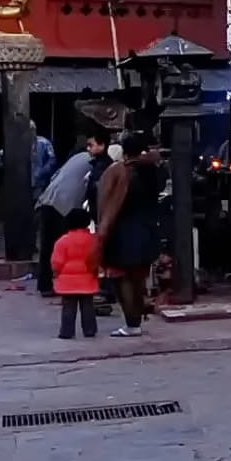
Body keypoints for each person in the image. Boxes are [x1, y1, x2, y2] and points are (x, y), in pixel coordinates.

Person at [97, 135, 162, 329]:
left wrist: (102, 232)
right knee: (138, 278)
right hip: (147, 230)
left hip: (123, 231)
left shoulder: (120, 171)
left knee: (121, 277)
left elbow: (109, 203)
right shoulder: (152, 171)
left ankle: (132, 324)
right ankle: (137, 321)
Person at [37, 128, 105, 269]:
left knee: (47, 248)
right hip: (64, 207)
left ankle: (46, 280)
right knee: (67, 248)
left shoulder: (78, 157)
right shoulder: (97, 163)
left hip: (48, 200)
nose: (89, 148)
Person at [48, 210, 105, 338]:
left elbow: (56, 262)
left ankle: (66, 332)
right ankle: (89, 330)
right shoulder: (93, 240)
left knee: (68, 307)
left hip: (67, 281)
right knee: (88, 307)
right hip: (88, 278)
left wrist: (57, 273)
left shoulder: (62, 241)